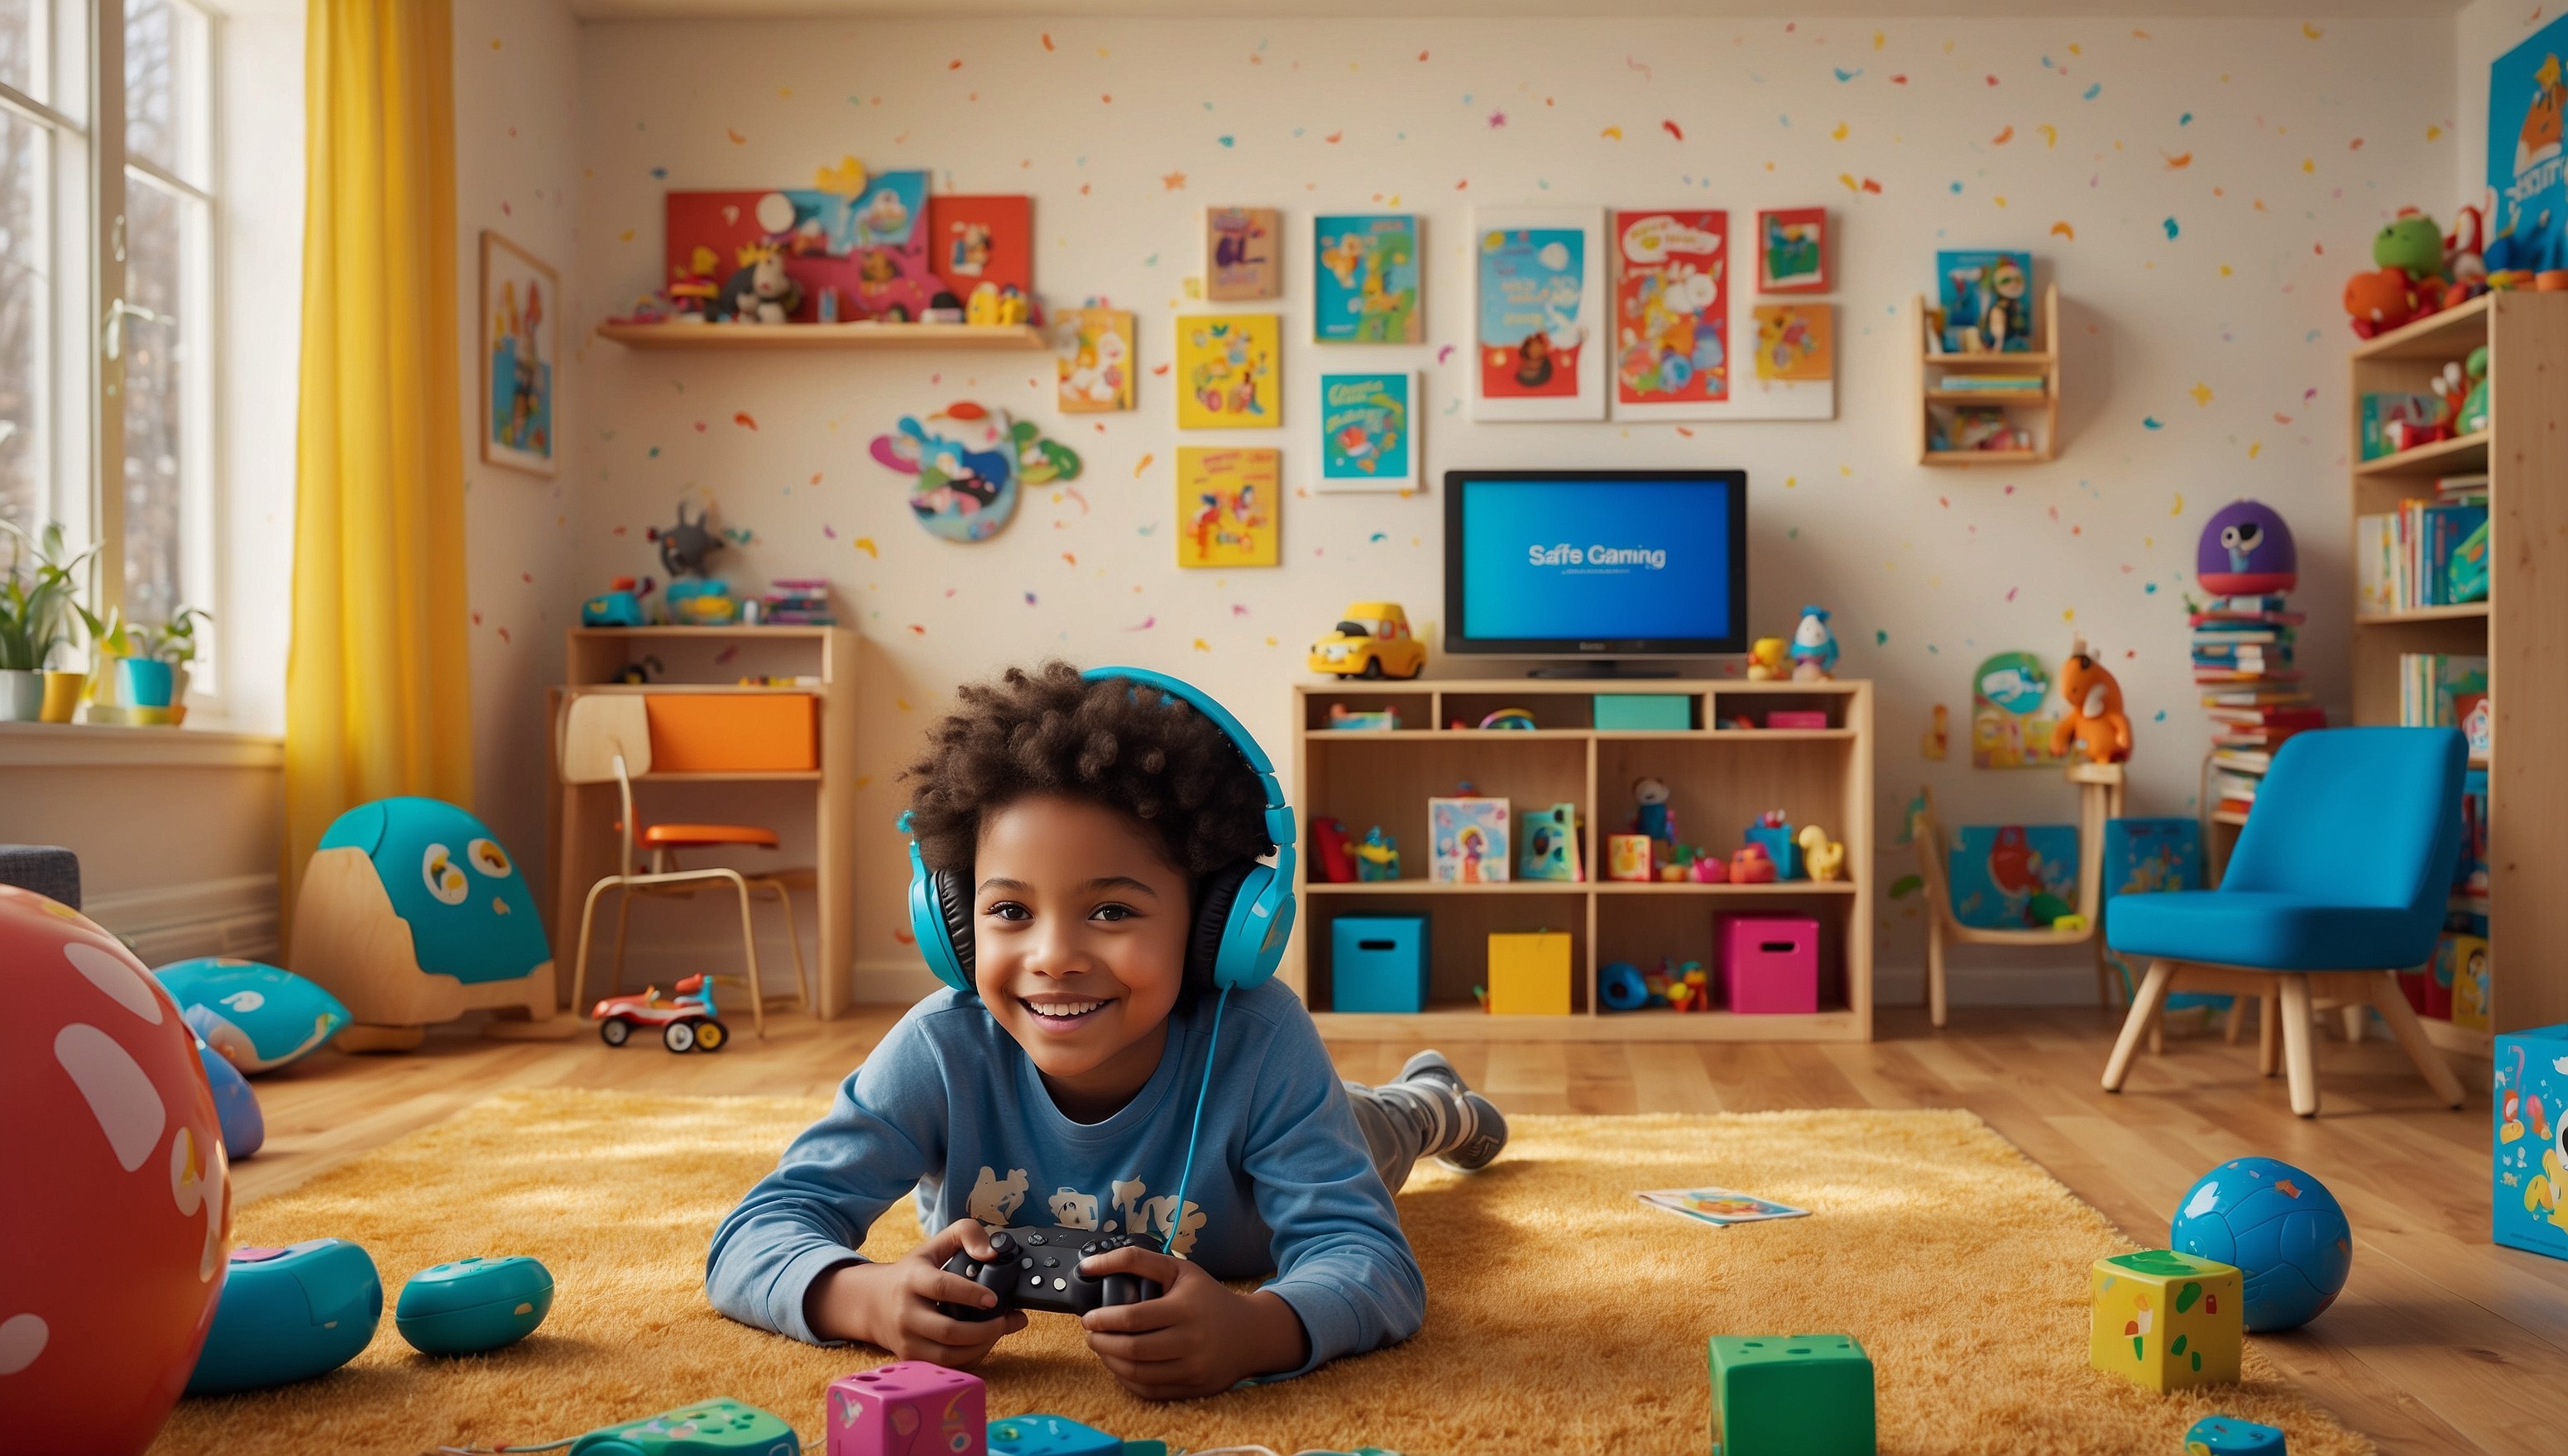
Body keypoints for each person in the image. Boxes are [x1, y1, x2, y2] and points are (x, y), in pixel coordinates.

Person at [706, 662, 1506, 1399]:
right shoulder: (941, 1048)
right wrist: (861, 1299)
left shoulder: (1259, 1044)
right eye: (1010, 911)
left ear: (1216, 926)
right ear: (953, 924)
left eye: (1112, 911)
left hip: (1291, 1155)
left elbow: (1372, 1263)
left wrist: (1257, 1330)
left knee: (1377, 1130)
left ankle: (1432, 1101)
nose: (1052, 958)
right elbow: (758, 1231)